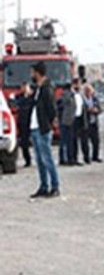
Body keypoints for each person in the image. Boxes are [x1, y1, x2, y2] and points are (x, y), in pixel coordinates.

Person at [28, 63, 60, 198]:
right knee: (39, 160)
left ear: (38, 73)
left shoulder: (47, 88)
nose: (31, 74)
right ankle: (43, 186)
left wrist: (53, 121)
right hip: (34, 127)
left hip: (43, 128)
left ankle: (55, 186)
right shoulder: (38, 89)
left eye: (32, 72)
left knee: (47, 159)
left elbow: (51, 106)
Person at [57, 78, 81, 166]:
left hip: (76, 119)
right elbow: (63, 102)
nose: (79, 86)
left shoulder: (77, 95)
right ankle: (65, 159)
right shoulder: (67, 94)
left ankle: (74, 158)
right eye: (78, 84)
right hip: (67, 120)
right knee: (66, 140)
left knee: (74, 140)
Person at [14, 82, 34, 167]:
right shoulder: (19, 97)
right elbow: (16, 103)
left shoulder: (33, 97)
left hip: (32, 122)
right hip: (23, 122)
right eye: (23, 87)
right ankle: (27, 160)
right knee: (24, 142)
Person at [82, 85, 103, 162]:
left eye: (90, 91)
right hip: (85, 123)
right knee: (85, 142)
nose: (89, 93)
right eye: (87, 91)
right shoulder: (82, 99)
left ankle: (95, 156)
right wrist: (88, 110)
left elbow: (100, 109)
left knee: (96, 141)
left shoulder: (95, 99)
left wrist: (96, 110)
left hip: (94, 123)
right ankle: (86, 158)